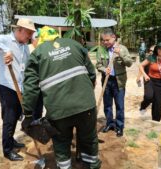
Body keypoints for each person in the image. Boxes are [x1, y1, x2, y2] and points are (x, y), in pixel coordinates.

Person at [22, 26, 101, 169]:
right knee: (89, 140)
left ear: (40, 39)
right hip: (86, 106)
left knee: (61, 142)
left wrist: (27, 114)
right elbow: (91, 73)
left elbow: (30, 88)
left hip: (58, 111)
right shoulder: (74, 45)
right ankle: (92, 165)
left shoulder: (37, 54)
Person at [0, 18, 36, 161]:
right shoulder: (5, 39)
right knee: (9, 119)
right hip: (7, 86)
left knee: (16, 116)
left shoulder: (25, 45)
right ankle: (7, 150)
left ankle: (11, 140)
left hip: (20, 87)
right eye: (28, 33)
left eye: (32, 34)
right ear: (19, 30)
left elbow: (25, 66)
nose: (30, 37)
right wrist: (6, 51)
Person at [96, 28, 133, 137]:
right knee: (107, 104)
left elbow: (129, 63)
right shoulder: (101, 50)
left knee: (119, 105)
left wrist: (120, 54)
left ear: (113, 38)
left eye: (107, 40)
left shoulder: (122, 48)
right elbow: (98, 65)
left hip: (119, 81)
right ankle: (109, 123)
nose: (105, 42)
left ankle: (120, 126)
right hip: (107, 81)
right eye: (103, 40)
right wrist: (104, 69)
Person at [136, 42, 161, 121]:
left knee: (158, 103)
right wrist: (145, 75)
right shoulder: (151, 57)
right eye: (159, 48)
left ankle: (156, 120)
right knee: (149, 96)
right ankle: (143, 106)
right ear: (157, 49)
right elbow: (141, 65)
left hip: (160, 82)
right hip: (150, 80)